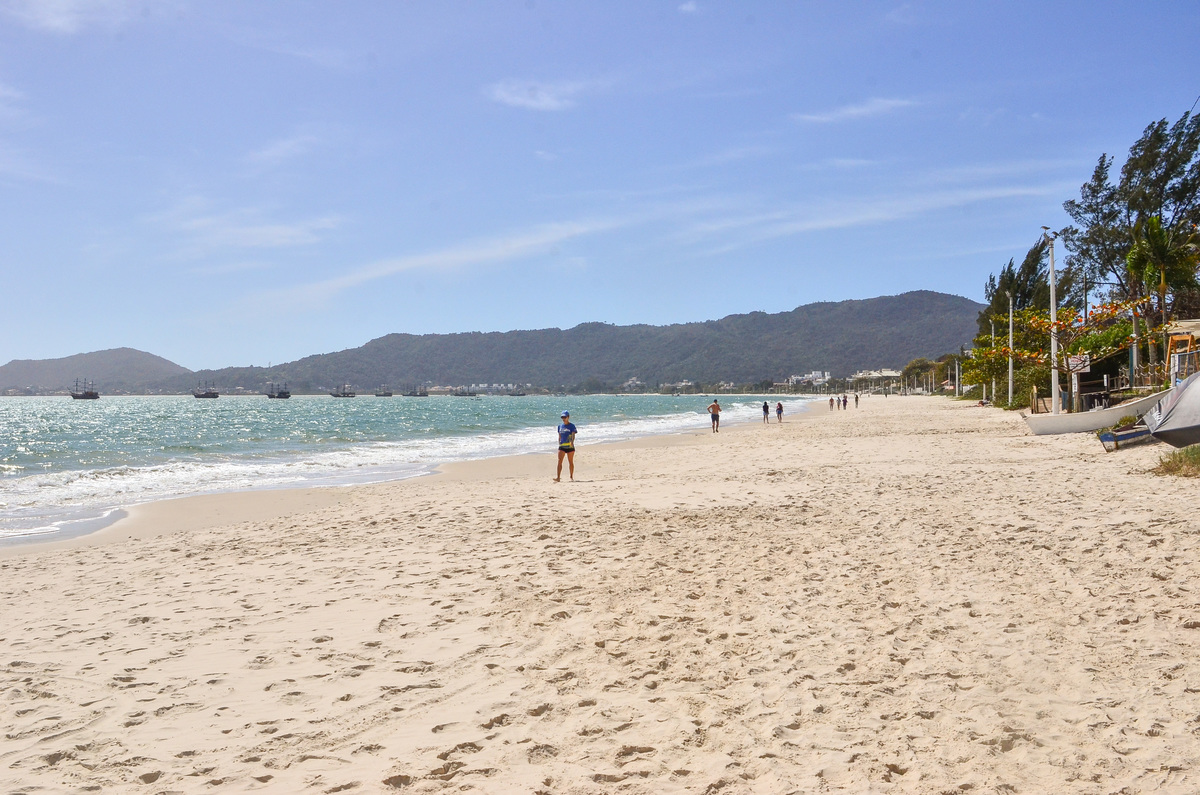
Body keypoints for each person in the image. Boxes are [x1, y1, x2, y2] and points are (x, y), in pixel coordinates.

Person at [554, 411, 577, 482]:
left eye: (565, 417)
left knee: (570, 461)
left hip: (570, 447)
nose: (563, 419)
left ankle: (571, 476)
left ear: (568, 417)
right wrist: (559, 442)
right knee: (559, 461)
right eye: (562, 417)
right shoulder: (560, 426)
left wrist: (572, 442)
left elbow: (573, 435)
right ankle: (558, 477)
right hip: (562, 446)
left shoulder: (572, 426)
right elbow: (559, 436)